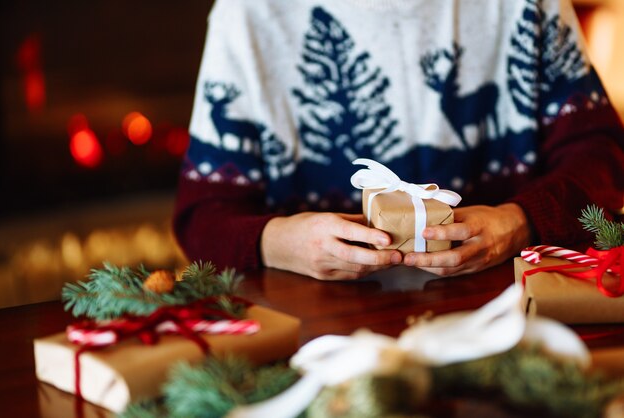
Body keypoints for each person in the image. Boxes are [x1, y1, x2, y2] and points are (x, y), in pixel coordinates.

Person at [173, 0, 624, 280]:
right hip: (321, 337)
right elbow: (203, 219)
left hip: (509, 311)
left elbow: (603, 158)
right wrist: (278, 242)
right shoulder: (248, 14)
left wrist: (520, 220)